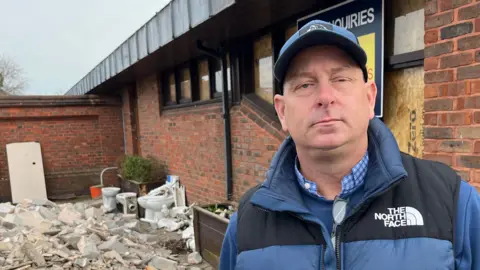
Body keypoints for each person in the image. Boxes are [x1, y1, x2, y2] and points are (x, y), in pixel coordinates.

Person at [218, 19, 480, 270]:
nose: (325, 97)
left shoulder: (454, 202)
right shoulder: (246, 226)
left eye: (340, 79)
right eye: (305, 84)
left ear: (369, 98)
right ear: (282, 111)